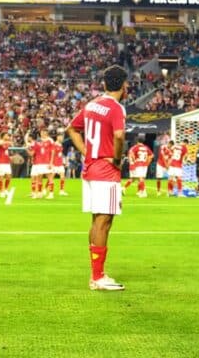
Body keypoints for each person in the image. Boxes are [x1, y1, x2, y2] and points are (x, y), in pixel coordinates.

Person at [68, 65, 129, 291]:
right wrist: (116, 159)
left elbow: (71, 129)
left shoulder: (92, 105)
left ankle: (96, 273)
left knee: (96, 221)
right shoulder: (116, 108)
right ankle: (98, 277)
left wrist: (87, 152)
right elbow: (119, 135)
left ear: (104, 84)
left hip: (91, 168)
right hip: (105, 169)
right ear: (124, 85)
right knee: (104, 222)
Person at [29, 128, 54, 199]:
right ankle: (39, 193)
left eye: (44, 132)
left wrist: (51, 162)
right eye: (42, 132)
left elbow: (52, 152)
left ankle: (51, 194)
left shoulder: (50, 140)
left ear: (47, 133)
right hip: (38, 163)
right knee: (39, 178)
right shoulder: (37, 141)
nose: (43, 133)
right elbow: (33, 152)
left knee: (50, 178)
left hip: (47, 162)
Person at [0, 134, 14, 199]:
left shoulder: (7, 143)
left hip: (7, 162)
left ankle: (6, 189)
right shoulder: (0, 141)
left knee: (9, 176)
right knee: (1, 177)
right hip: (1, 162)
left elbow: (6, 151)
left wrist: (9, 157)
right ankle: (1, 191)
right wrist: (7, 141)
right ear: (3, 136)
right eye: (6, 135)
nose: (8, 137)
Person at [52, 132, 68, 197]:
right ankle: (44, 189)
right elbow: (52, 154)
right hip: (54, 164)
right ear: (57, 137)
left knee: (62, 177)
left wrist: (64, 162)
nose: (61, 138)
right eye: (60, 137)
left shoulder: (61, 145)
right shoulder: (54, 144)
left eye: (62, 137)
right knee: (51, 178)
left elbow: (60, 155)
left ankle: (61, 191)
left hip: (60, 164)